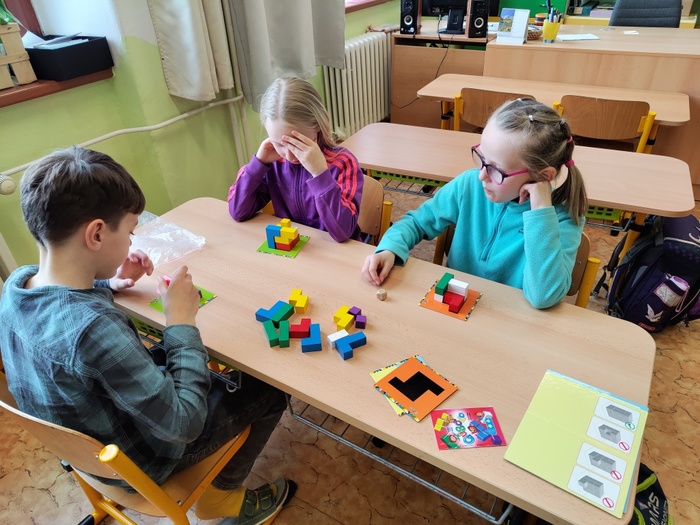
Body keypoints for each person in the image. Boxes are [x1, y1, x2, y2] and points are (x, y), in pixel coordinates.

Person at [0, 146, 295, 523]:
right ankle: (222, 498)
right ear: (96, 234)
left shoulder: (18, 285)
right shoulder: (92, 330)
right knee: (268, 385)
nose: (132, 242)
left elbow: (68, 314)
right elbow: (184, 424)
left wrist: (110, 281)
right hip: (143, 461)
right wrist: (180, 321)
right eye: (130, 232)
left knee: (191, 363)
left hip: (86, 455)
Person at [361, 98, 588, 309]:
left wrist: (540, 213)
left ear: (542, 176)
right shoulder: (470, 184)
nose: (482, 175)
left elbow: (543, 296)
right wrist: (390, 248)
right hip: (454, 308)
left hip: (510, 319)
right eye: (481, 158)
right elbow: (418, 222)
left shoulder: (564, 217)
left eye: (497, 170)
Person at [228, 76, 364, 242]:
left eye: (297, 144)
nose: (289, 156)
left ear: (318, 125)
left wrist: (320, 174)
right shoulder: (274, 163)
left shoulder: (343, 162)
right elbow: (238, 212)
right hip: (295, 248)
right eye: (279, 144)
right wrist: (258, 165)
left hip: (335, 252)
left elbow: (343, 232)